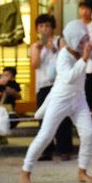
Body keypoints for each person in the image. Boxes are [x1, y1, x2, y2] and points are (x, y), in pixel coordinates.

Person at [19, 19, 92, 183]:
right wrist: (84, 59)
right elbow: (69, 77)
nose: (86, 42)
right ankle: (25, 171)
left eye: (87, 38)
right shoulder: (63, 56)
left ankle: (82, 171)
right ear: (74, 41)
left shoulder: (86, 49)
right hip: (60, 99)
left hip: (79, 99)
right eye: (82, 40)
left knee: (88, 133)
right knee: (45, 136)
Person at [30, 13, 73, 161]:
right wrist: (40, 49)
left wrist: (52, 47)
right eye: (41, 26)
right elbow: (34, 65)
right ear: (37, 29)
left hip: (60, 84)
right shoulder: (35, 45)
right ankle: (46, 150)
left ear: (53, 28)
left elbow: (66, 57)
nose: (44, 29)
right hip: (43, 85)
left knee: (62, 117)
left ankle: (64, 149)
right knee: (44, 119)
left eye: (47, 26)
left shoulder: (60, 40)